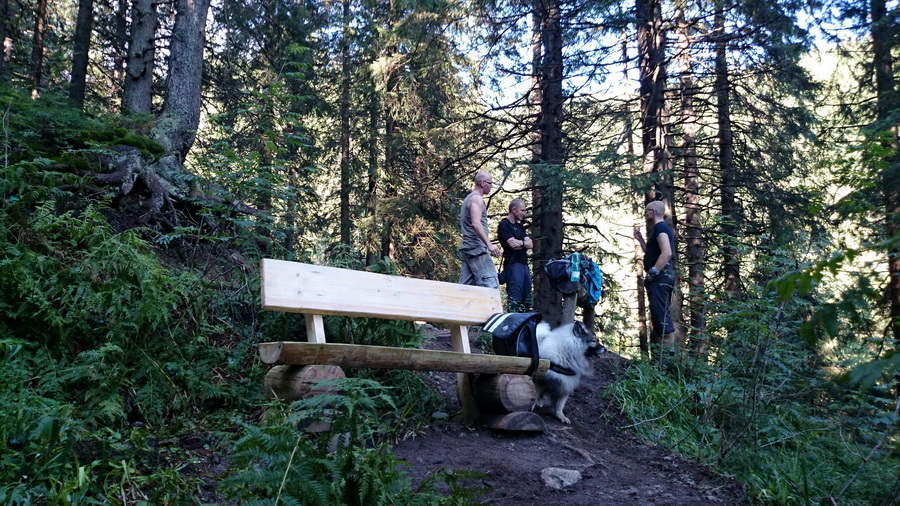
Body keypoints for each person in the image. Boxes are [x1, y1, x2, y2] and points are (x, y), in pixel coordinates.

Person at [634, 200, 676, 360]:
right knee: (659, 316)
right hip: (661, 276)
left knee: (661, 316)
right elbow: (653, 253)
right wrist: (641, 240)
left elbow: (666, 253)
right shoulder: (659, 229)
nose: (645, 214)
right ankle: (664, 359)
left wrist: (653, 272)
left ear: (653, 212)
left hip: (660, 277)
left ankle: (667, 361)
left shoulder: (660, 228)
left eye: (646, 211)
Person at [459, 171, 501, 287]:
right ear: (482, 183)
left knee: (465, 290)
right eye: (490, 183)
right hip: (476, 250)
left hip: (468, 249)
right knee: (491, 286)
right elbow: (476, 223)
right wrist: (490, 245)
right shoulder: (476, 199)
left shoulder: (469, 198)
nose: (491, 186)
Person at [497, 198, 533, 311]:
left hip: (524, 265)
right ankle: (512, 326)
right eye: (522, 210)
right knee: (515, 300)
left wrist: (521, 243)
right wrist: (524, 243)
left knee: (527, 299)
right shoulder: (504, 224)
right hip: (513, 265)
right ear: (514, 210)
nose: (524, 213)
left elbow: (530, 244)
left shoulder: (520, 227)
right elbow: (513, 245)